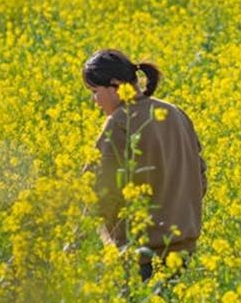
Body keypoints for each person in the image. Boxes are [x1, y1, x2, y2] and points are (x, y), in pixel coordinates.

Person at [82, 49, 207, 281]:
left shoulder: (119, 123)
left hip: (140, 256)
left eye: (95, 92)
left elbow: (98, 189)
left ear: (116, 85)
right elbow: (200, 178)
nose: (94, 101)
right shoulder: (176, 114)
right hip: (182, 250)